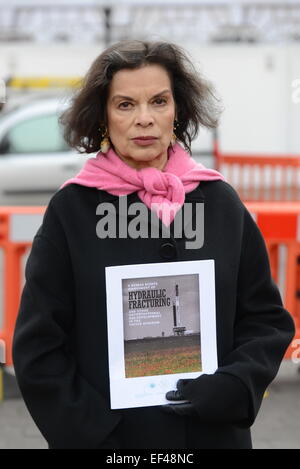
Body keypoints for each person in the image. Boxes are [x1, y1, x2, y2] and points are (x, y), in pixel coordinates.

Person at [12, 39, 295, 450]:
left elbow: (266, 320)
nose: (145, 119)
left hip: (212, 436)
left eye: (159, 102)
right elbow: (39, 345)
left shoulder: (221, 204)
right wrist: (93, 432)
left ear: (177, 111)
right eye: (125, 104)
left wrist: (234, 385)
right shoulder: (71, 211)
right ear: (103, 117)